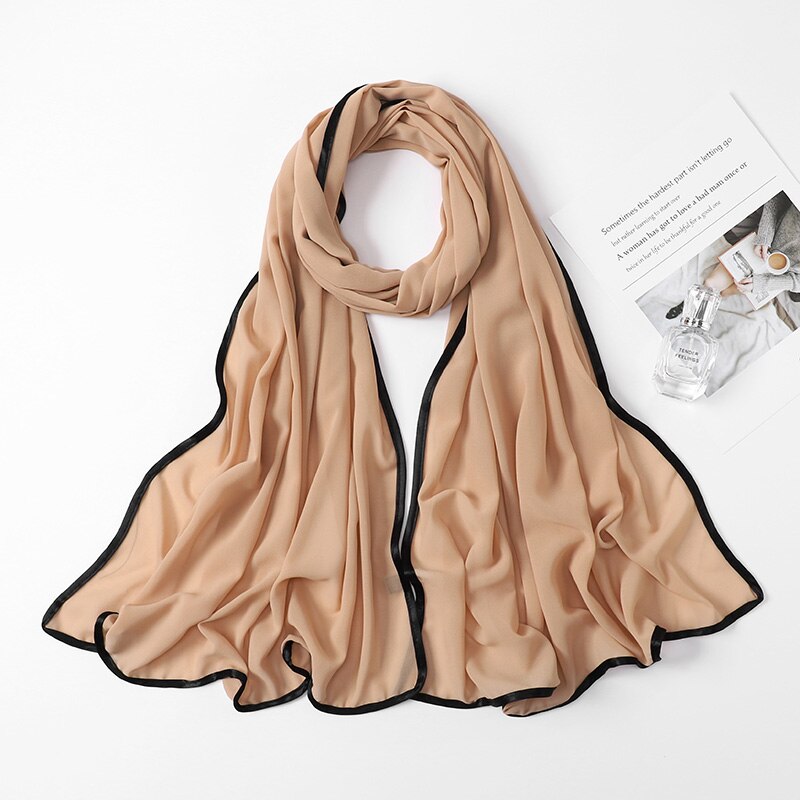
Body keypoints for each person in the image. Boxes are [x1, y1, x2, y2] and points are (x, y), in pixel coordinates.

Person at [665, 191, 800, 319]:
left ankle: (705, 304)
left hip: (784, 273)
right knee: (711, 284)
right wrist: (765, 236)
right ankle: (688, 306)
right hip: (765, 246)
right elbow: (777, 196)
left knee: (727, 292)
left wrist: (763, 284)